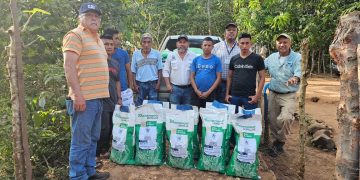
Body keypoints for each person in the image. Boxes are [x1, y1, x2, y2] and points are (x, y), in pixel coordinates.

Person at [62, 2, 110, 180]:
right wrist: (77, 95)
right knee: (81, 140)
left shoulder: (97, 39)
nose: (94, 18)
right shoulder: (75, 35)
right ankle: (77, 176)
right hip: (84, 99)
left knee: (93, 138)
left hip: (98, 98)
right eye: (89, 15)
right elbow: (69, 66)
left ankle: (90, 171)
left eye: (96, 15)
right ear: (80, 18)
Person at [264, 33, 301, 157]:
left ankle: (280, 141)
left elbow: (299, 71)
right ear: (276, 44)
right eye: (280, 42)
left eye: (285, 42)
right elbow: (261, 66)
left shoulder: (297, 57)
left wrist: (295, 78)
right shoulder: (272, 57)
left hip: (288, 94)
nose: (282, 44)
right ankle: (276, 141)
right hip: (273, 93)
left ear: (290, 43)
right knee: (272, 118)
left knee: (286, 118)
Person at [96, 34, 122, 165]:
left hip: (113, 100)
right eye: (106, 44)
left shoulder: (115, 63)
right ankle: (97, 153)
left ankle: (105, 150)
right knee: (103, 127)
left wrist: (119, 98)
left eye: (111, 44)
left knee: (112, 126)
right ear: (100, 45)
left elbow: (117, 82)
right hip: (101, 99)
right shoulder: (97, 61)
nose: (109, 46)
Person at [225, 33, 265, 112]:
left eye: (247, 43)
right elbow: (229, 76)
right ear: (238, 44)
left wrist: (257, 95)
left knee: (249, 120)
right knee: (233, 119)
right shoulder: (234, 59)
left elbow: (262, 77)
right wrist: (227, 94)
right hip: (234, 96)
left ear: (251, 44)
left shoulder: (257, 58)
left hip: (250, 96)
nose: (244, 46)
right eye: (242, 43)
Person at [103, 28, 134, 106]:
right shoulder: (102, 56)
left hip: (124, 91)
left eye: (118, 39)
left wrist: (130, 88)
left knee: (125, 115)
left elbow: (129, 71)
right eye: (116, 39)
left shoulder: (123, 53)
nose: (118, 41)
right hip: (108, 92)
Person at [162, 35, 197, 105]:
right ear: (177, 44)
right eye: (180, 42)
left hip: (189, 89)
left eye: (184, 42)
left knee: (188, 111)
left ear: (188, 44)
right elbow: (166, 70)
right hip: (174, 89)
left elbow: (197, 72)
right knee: (174, 111)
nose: (182, 44)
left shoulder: (194, 56)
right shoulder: (171, 55)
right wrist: (168, 85)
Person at [131, 33, 163, 106]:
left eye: (148, 42)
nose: (146, 44)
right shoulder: (136, 54)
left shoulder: (157, 53)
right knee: (139, 105)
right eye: (144, 42)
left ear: (151, 43)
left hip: (153, 83)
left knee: (153, 105)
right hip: (140, 83)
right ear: (141, 43)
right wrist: (134, 85)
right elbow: (133, 71)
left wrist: (158, 84)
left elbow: (160, 69)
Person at [190, 37, 222, 108]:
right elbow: (191, 77)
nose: (207, 47)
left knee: (209, 114)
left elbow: (219, 77)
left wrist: (208, 92)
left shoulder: (217, 60)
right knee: (195, 114)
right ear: (201, 46)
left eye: (209, 45)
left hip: (211, 93)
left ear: (212, 47)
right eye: (205, 45)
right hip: (197, 93)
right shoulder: (196, 59)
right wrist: (196, 90)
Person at [212, 23, 240, 103]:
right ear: (224, 33)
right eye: (229, 30)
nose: (231, 32)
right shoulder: (216, 47)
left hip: (235, 84)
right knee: (219, 106)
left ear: (237, 33)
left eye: (234, 30)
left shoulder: (241, 47)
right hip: (219, 83)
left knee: (233, 107)